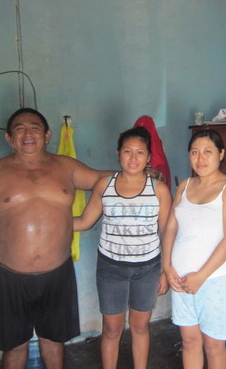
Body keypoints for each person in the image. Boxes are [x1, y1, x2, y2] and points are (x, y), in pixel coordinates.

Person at [0, 108, 112, 369]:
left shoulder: (66, 167)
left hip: (57, 272)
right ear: (9, 138)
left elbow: (102, 179)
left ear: (47, 135)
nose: (27, 133)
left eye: (34, 127)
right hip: (8, 274)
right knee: (14, 346)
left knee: (53, 342)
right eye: (19, 128)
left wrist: (140, 175)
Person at [73, 126, 172, 369]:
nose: (133, 158)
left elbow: (167, 231)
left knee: (140, 327)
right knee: (111, 329)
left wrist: (165, 270)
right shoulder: (104, 185)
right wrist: (52, 222)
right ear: (118, 153)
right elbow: (85, 221)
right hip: (111, 268)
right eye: (128, 151)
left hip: (147, 269)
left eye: (140, 152)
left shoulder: (158, 190)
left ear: (149, 157)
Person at [162, 129, 226, 369]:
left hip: (215, 279)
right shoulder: (185, 186)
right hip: (180, 278)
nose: (200, 158)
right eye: (195, 152)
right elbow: (170, 229)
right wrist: (167, 267)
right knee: (189, 341)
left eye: (208, 151)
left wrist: (201, 276)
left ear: (221, 154)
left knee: (213, 345)